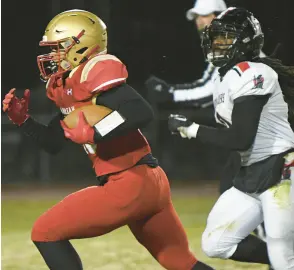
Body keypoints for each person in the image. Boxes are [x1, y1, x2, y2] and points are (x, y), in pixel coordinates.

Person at [2, 9, 215, 270]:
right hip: (149, 181)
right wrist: (24, 121)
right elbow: (53, 143)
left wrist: (95, 133)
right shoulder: (69, 88)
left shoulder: (95, 72)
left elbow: (140, 112)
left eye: (59, 47)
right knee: (180, 262)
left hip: (128, 183)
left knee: (44, 232)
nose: (52, 56)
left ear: (81, 46)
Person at [168, 7, 294, 270]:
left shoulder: (254, 73)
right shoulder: (228, 76)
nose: (218, 45)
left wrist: (190, 128)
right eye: (215, 39)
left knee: (283, 255)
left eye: (226, 38)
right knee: (216, 242)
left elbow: (240, 138)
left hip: (282, 172)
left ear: (246, 41)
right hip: (252, 172)